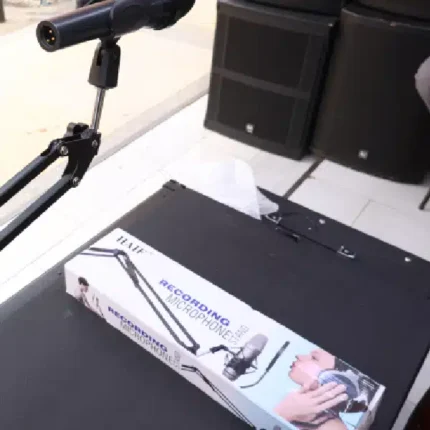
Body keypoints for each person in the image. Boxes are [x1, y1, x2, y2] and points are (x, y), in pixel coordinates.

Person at [274, 349, 368, 430]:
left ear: (334, 378)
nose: (299, 356)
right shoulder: (292, 406)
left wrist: (281, 413)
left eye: (314, 358)